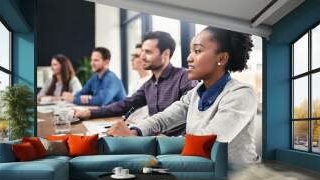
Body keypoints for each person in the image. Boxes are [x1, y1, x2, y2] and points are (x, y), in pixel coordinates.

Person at [107, 27, 259, 163]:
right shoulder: (196, 92)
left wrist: (141, 141)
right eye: (191, 51)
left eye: (198, 51)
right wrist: (134, 131)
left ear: (221, 58)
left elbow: (205, 143)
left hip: (238, 179)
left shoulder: (241, 94)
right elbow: (163, 118)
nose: (189, 58)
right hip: (202, 168)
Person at [75, 31, 198, 136]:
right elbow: (125, 104)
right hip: (151, 140)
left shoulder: (184, 77)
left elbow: (188, 114)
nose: (142, 57)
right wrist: (90, 113)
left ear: (165, 54)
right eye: (142, 52)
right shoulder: (149, 85)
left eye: (148, 52)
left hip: (174, 147)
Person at [126, 43, 152, 121]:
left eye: (136, 56)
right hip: (130, 122)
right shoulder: (134, 83)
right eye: (132, 56)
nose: (132, 59)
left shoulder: (151, 83)